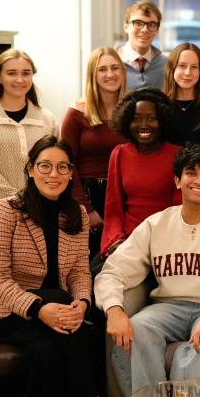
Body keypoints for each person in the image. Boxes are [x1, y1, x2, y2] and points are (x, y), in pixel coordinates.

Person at [94, 143, 200, 397]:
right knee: (136, 328)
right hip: (166, 308)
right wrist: (114, 308)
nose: (199, 181)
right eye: (191, 173)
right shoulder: (156, 224)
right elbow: (113, 271)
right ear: (177, 180)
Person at [0, 135, 110, 397]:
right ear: (30, 169)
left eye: (62, 167)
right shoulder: (7, 210)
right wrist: (39, 308)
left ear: (71, 173)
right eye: (45, 166)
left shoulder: (76, 213)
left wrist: (82, 302)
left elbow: (81, 270)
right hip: (3, 312)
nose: (53, 174)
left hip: (55, 319)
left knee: (44, 351)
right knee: (59, 298)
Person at [61, 47, 128, 258]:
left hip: (124, 194)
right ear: (93, 75)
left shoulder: (133, 110)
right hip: (90, 194)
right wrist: (85, 208)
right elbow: (66, 163)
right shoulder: (76, 113)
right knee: (90, 263)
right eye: (103, 69)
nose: (110, 74)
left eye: (115, 68)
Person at [99, 88, 182, 257]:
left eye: (151, 119)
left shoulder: (178, 155)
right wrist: (117, 240)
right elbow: (113, 210)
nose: (144, 125)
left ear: (163, 121)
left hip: (165, 242)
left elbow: (179, 211)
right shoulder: (120, 153)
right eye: (136, 119)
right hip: (127, 240)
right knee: (98, 276)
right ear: (127, 122)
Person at [0, 49, 59, 212]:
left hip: (39, 212)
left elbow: (55, 167)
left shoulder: (48, 120)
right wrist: (17, 201)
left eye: (26, 73)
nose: (20, 79)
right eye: (11, 73)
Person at [119, 0, 166, 90]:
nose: (145, 30)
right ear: (125, 26)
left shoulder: (167, 65)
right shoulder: (112, 64)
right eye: (138, 23)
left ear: (157, 30)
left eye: (152, 24)